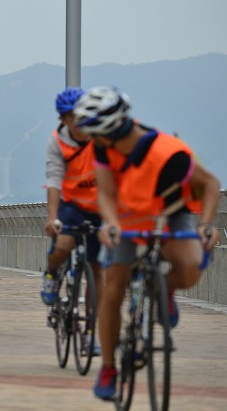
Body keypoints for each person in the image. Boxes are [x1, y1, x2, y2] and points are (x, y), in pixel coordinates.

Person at [73, 86, 220, 400]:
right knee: (113, 288)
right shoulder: (103, 149)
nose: (92, 139)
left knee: (191, 266)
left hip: (170, 212)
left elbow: (209, 184)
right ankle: (109, 367)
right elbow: (105, 192)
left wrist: (206, 224)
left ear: (108, 131)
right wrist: (110, 222)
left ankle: (162, 289)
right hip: (127, 218)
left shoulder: (169, 152)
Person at [41, 87, 103, 355]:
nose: (77, 121)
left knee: (96, 271)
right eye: (70, 117)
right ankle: (52, 274)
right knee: (63, 244)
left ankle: (90, 334)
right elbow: (54, 179)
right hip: (72, 205)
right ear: (63, 119)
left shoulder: (101, 136)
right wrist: (52, 218)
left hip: (99, 206)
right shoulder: (57, 141)